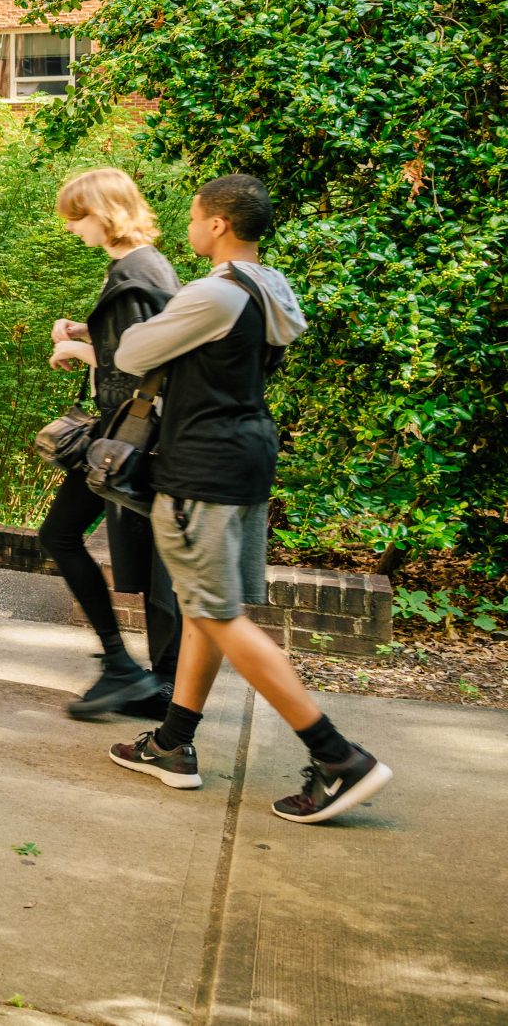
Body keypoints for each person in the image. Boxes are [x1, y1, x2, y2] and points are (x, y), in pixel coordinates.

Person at [107, 174, 394, 825]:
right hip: (247, 453)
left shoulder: (215, 292)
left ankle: (338, 757)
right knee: (205, 607)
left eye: (193, 217)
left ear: (218, 224)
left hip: (200, 466)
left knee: (217, 614)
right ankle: (173, 742)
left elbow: (132, 351)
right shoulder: (272, 288)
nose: (188, 227)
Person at [39, 168, 184, 719]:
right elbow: (139, 340)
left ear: (103, 214)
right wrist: (86, 331)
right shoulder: (148, 266)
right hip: (145, 438)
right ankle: (150, 680)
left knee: (62, 535)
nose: (72, 228)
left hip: (129, 439)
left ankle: (130, 670)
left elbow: (137, 369)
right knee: (156, 565)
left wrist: (79, 352)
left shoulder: (131, 274)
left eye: (77, 217)